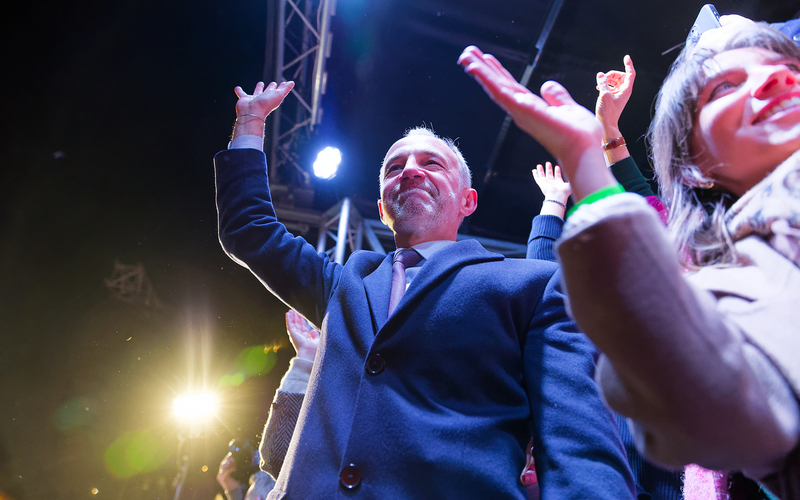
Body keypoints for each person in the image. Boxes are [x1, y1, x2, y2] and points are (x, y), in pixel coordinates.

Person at [214, 80, 636, 498]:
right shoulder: (345, 283)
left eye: (432, 164)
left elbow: (578, 443)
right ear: (382, 208)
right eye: (394, 168)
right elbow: (250, 231)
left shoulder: (533, 285)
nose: (410, 170)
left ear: (468, 201)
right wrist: (250, 124)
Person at [459, 17, 800, 500]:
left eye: (790, 63)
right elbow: (719, 405)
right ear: (694, 165)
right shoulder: (729, 276)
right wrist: (582, 166)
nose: (776, 77)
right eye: (724, 85)